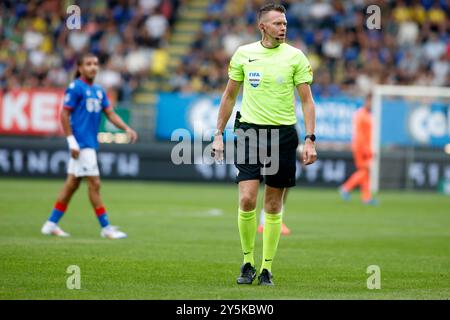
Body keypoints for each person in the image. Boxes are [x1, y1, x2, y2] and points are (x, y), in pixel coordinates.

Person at [212, 3, 317, 286]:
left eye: (284, 23)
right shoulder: (244, 54)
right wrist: (219, 133)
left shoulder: (296, 57)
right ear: (263, 27)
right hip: (249, 132)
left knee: (272, 204)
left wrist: (309, 139)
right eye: (278, 23)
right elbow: (229, 96)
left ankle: (267, 268)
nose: (283, 27)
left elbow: (307, 100)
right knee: (247, 199)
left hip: (283, 135)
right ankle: (247, 262)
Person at [41, 53, 138, 239]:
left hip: (89, 144)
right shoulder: (76, 87)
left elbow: (110, 113)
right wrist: (71, 141)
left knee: (71, 186)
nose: (93, 67)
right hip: (82, 144)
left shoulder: (99, 90)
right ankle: (106, 228)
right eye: (88, 64)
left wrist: (126, 128)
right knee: (94, 183)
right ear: (80, 68)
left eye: (95, 63)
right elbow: (64, 114)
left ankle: (51, 223)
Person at [339, 94, 377, 205]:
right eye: (370, 101)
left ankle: (366, 198)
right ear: (366, 101)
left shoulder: (368, 115)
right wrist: (366, 149)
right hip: (361, 147)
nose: (371, 104)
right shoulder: (361, 115)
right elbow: (360, 134)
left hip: (364, 147)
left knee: (365, 172)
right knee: (365, 170)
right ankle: (346, 187)